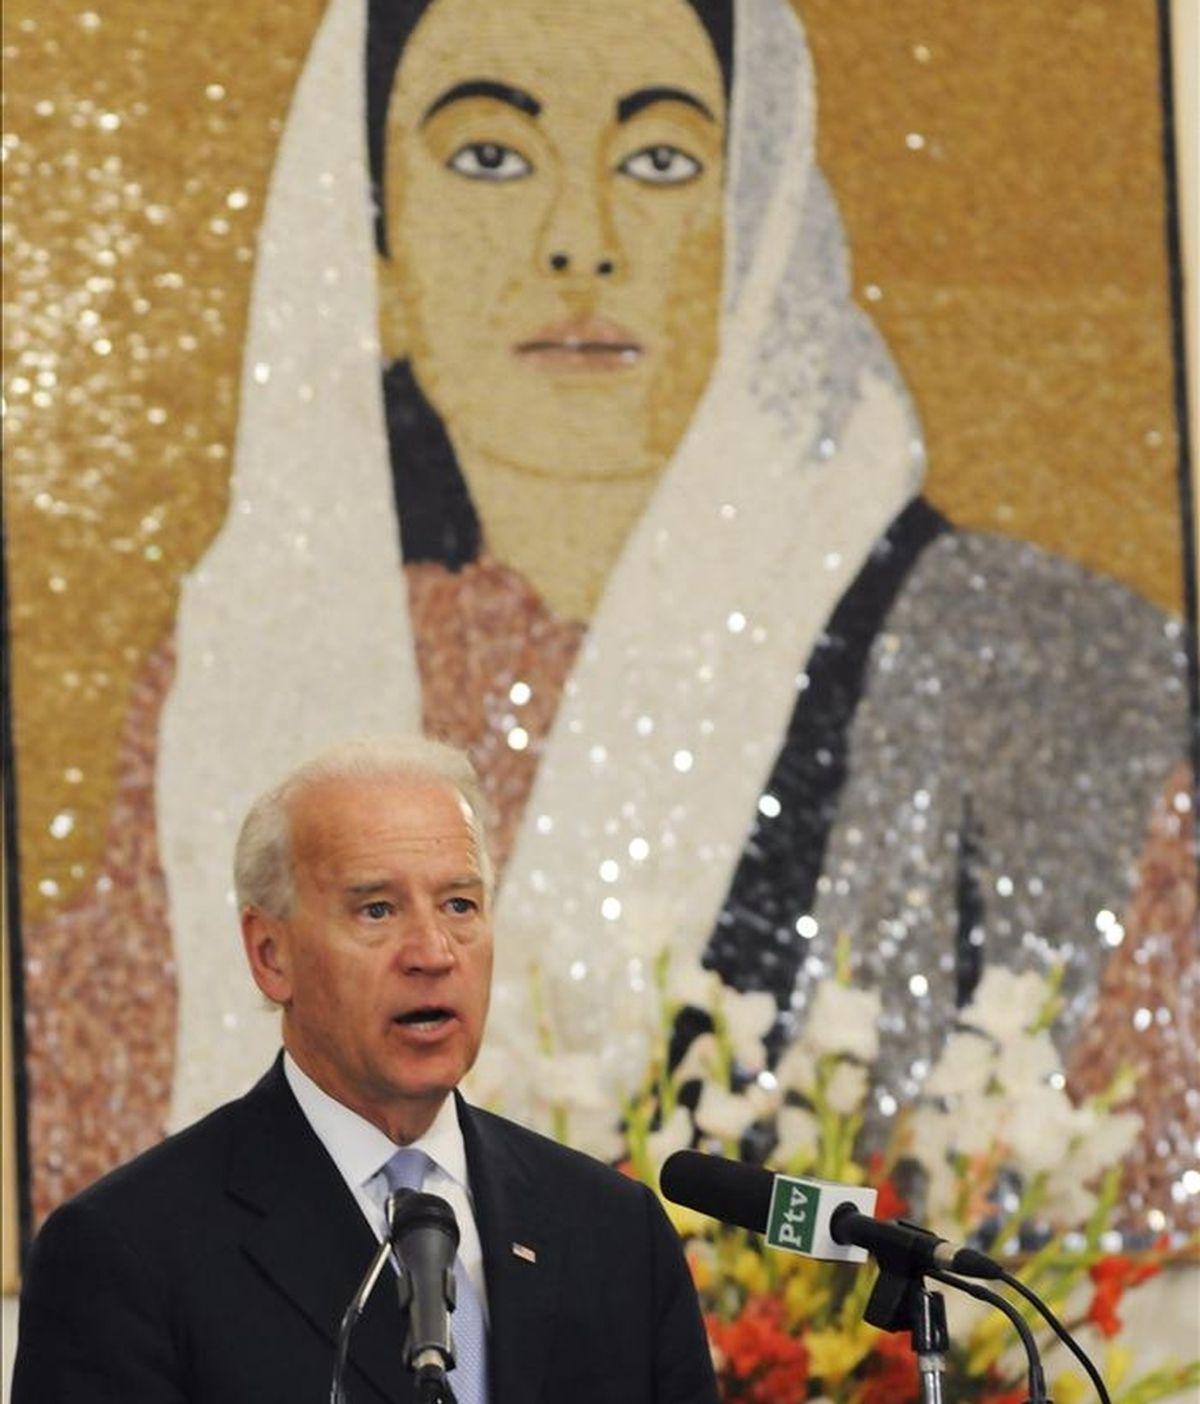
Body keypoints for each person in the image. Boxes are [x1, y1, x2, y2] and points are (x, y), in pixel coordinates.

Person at [12, 737, 720, 1404]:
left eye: (460, 905)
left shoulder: (615, 1234)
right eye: (376, 909)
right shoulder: (126, 1253)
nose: (433, 951)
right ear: (270, 954)